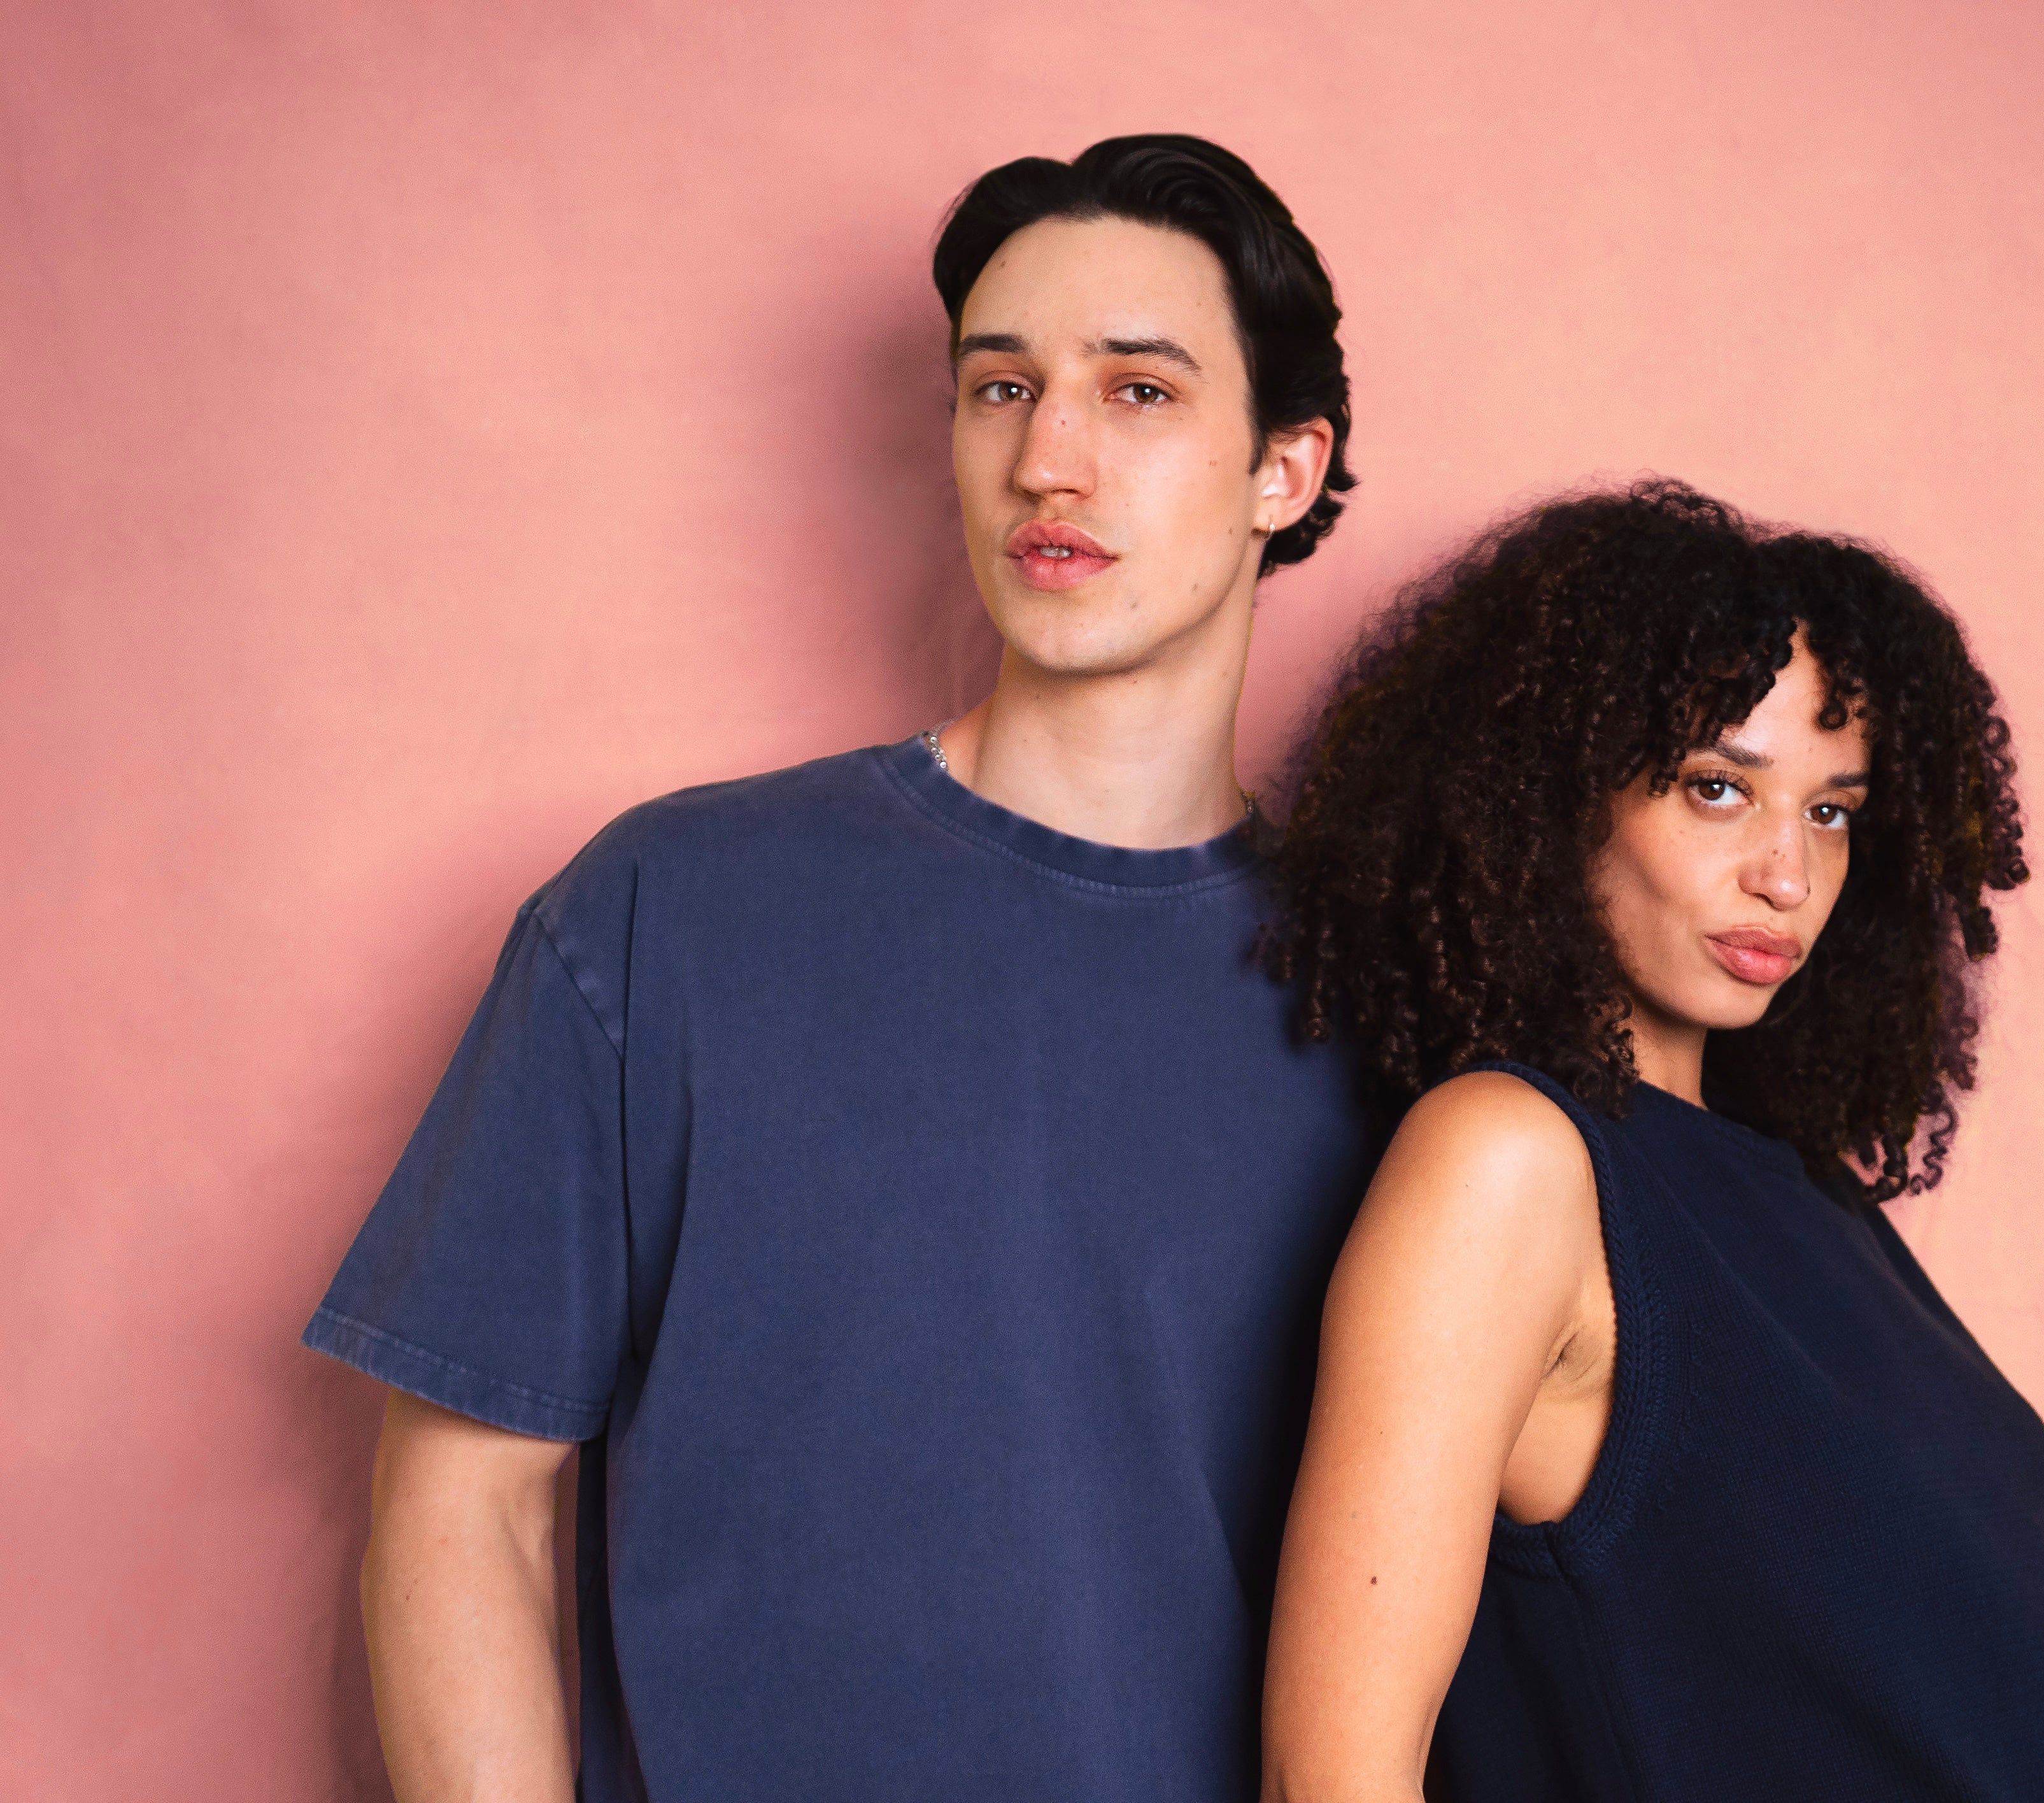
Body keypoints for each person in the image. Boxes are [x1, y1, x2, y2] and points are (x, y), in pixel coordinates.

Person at [304, 134, 1371, 1803]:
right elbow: (466, 1511)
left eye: (1138, 393)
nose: (1047, 461)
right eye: (999, 390)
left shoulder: (1394, 991)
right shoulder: (670, 911)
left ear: (1282, 471)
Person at [1258, 483, 2044, 1800]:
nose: (1787, 875)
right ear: (1552, 797)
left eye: (1829, 811)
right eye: (1717, 789)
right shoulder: (1507, 1162)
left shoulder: (1811, 1198)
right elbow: (1330, 1778)